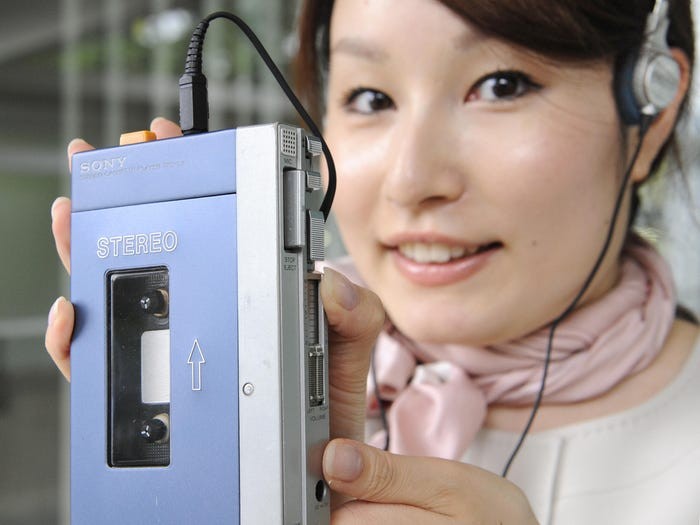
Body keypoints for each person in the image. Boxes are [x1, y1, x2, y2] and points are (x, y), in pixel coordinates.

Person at [46, 0, 700, 522]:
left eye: (502, 85)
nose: (412, 181)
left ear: (651, 109)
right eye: (370, 98)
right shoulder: (245, 392)